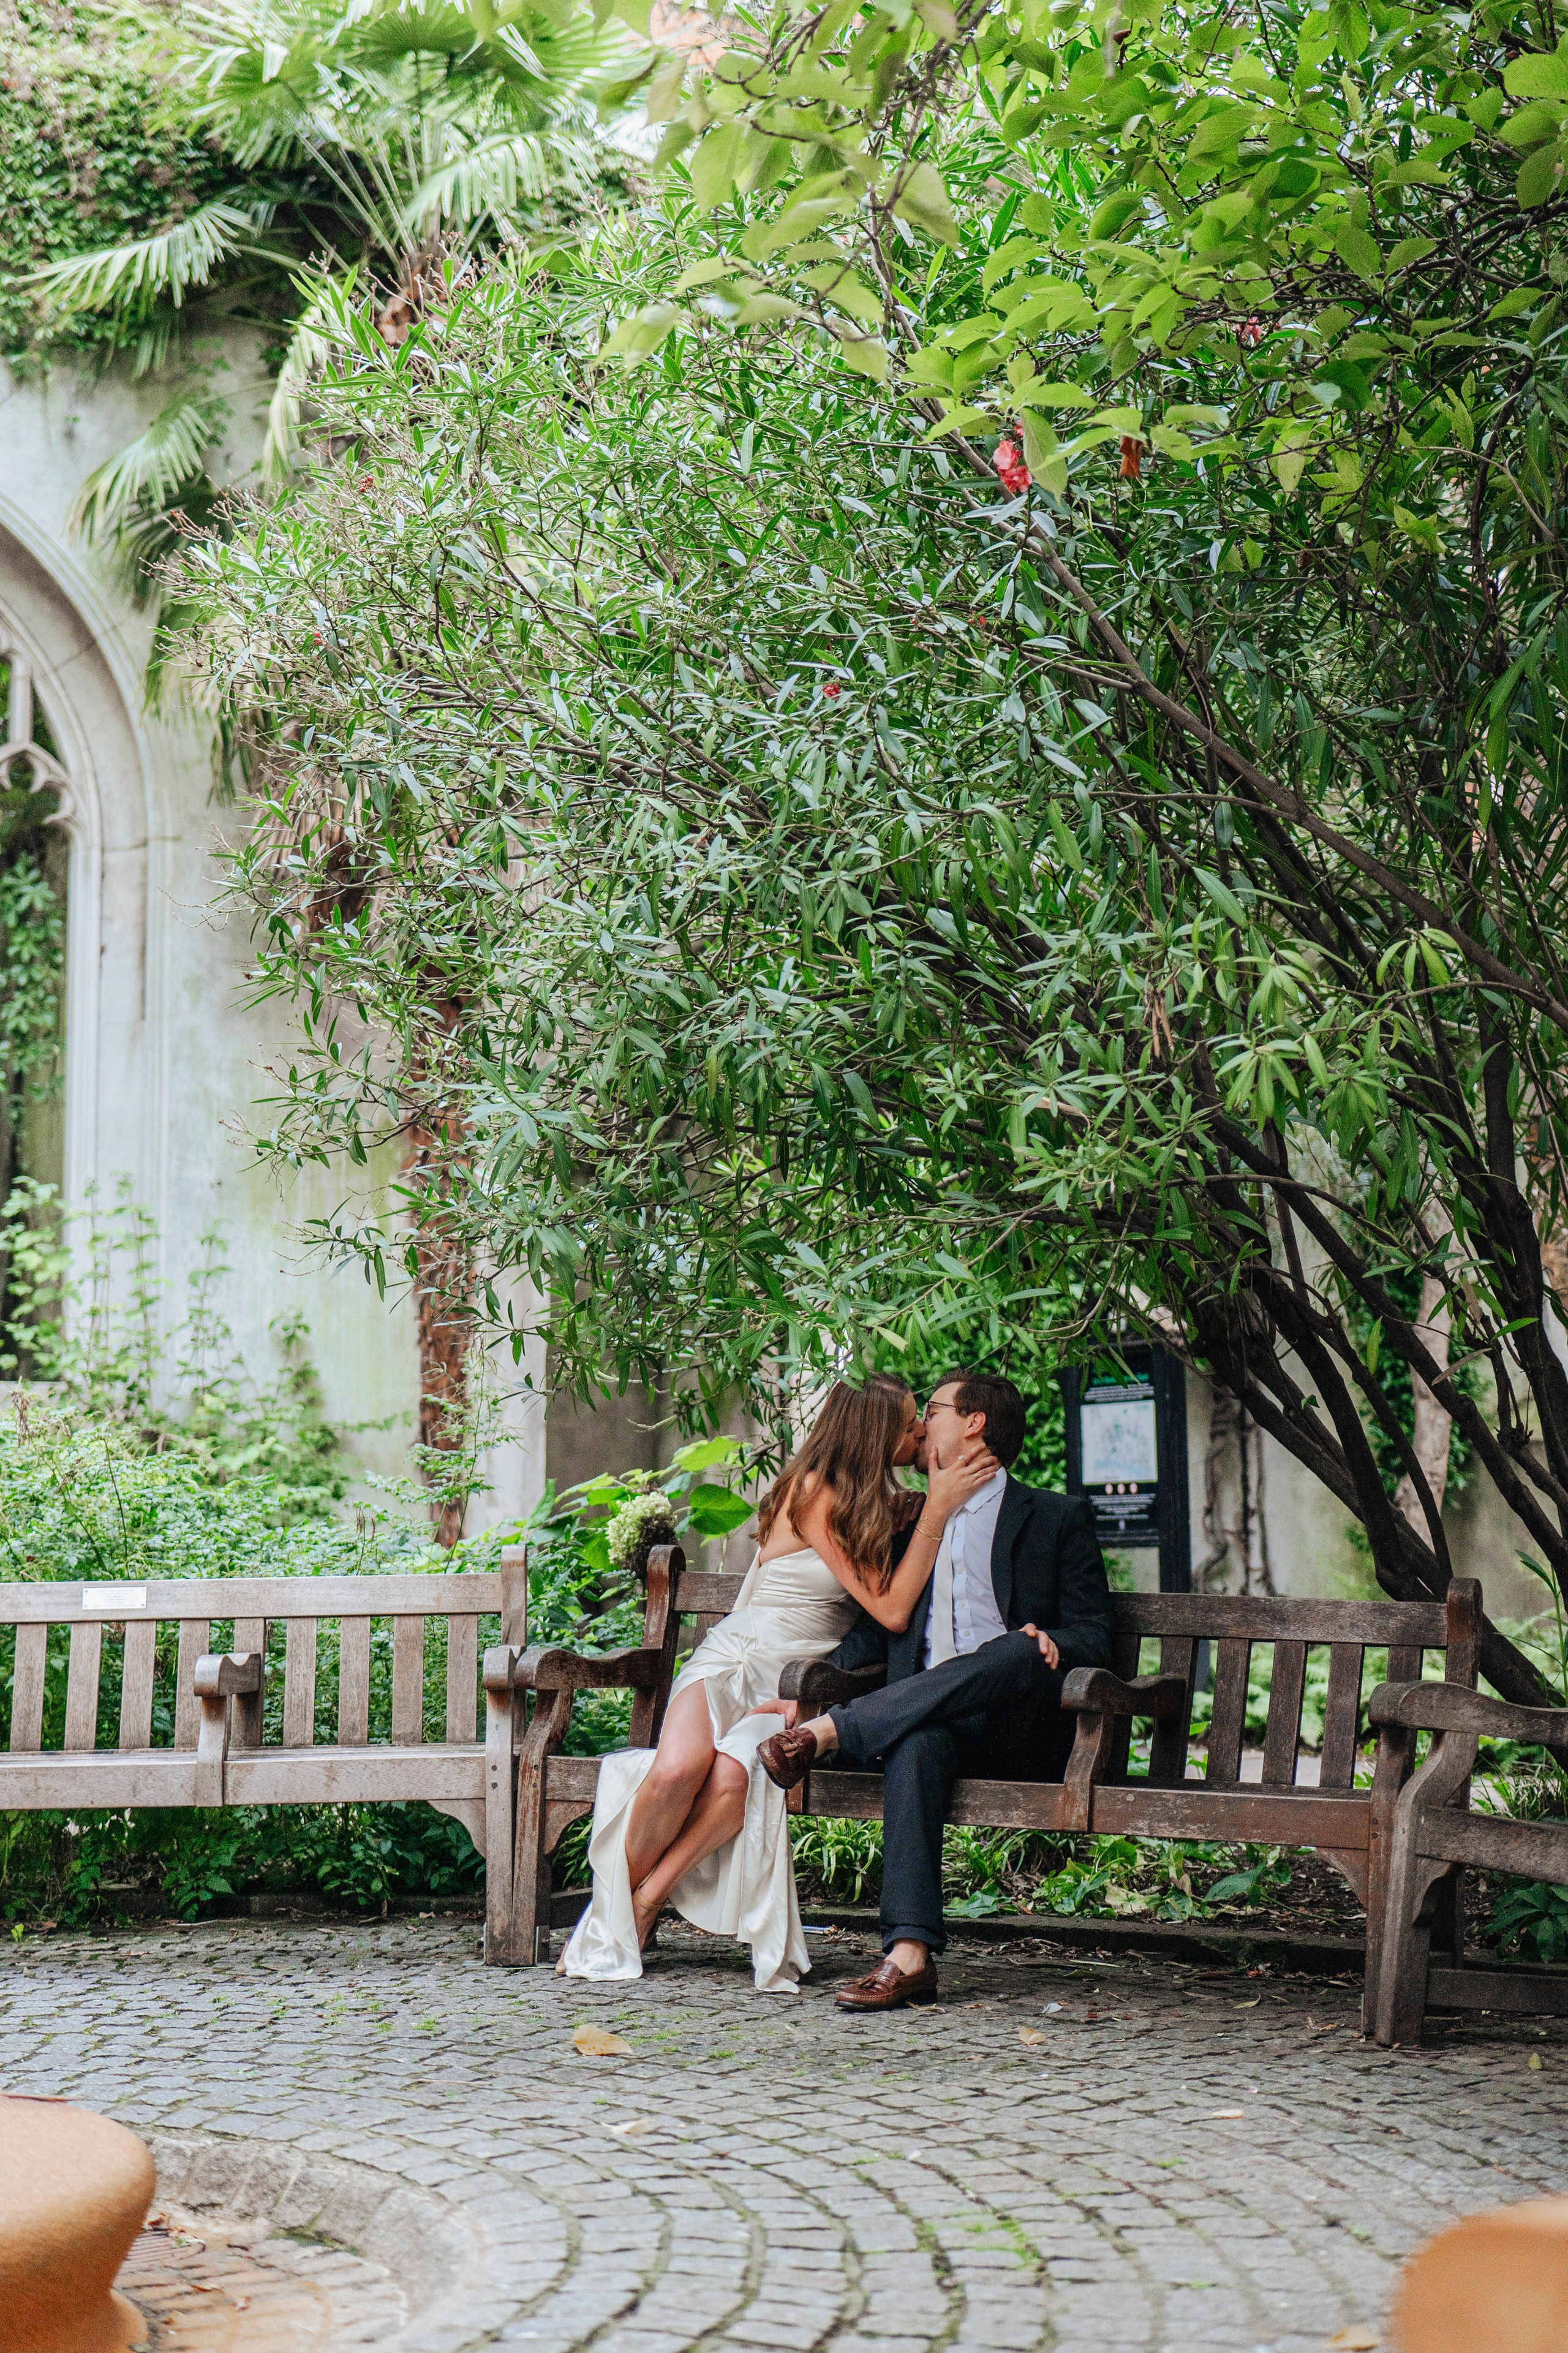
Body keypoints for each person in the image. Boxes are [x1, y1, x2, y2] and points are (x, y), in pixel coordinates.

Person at [557, 1373, 1001, 1992]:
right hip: (736, 1656)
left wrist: (929, 1507)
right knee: (680, 1768)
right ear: (871, 1435)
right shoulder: (813, 1490)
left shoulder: (886, 1508)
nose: (921, 1431)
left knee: (738, 1773)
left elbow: (894, 1611)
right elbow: (892, 1609)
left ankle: (642, 1901)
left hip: (794, 1680)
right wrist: (934, 1508)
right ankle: (604, 1912)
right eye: (907, 1424)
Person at [757, 1369, 1114, 2011]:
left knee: (1016, 1645)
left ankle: (835, 1731)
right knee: (916, 1739)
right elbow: (874, 1633)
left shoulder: (1055, 1517)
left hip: (1021, 1729)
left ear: (974, 1422)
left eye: (934, 1410)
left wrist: (1059, 1640)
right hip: (931, 1724)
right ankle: (908, 1955)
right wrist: (805, 1686)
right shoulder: (907, 1523)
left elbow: (1096, 1633)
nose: (920, 1425)